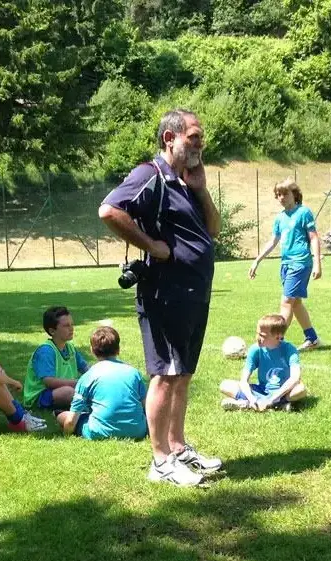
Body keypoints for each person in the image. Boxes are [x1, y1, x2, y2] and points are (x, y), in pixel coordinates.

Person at [99, 109, 222, 486]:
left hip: (194, 294)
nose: (200, 144)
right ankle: (160, 461)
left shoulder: (185, 183)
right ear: (170, 138)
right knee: (165, 376)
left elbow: (214, 230)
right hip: (165, 293)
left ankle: (178, 448)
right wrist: (151, 245)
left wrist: (201, 188)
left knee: (182, 375)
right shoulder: (150, 174)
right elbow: (109, 210)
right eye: (194, 137)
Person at [248, 178, 322, 351]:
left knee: (286, 302)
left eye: (285, 194)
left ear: (294, 194)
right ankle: (312, 338)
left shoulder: (304, 212)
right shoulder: (280, 218)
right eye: (278, 194)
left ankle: (275, 342)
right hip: (286, 264)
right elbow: (273, 241)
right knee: (295, 304)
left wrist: (317, 263)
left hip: (300, 263)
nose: (281, 197)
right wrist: (257, 261)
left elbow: (313, 238)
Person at [56, 326, 148, 440]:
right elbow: (147, 406)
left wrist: (67, 435)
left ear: (92, 351)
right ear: (118, 349)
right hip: (137, 430)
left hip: (99, 431)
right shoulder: (134, 373)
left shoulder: (88, 376)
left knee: (62, 416)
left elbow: (70, 421)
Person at [220, 314, 306, 412]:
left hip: (282, 392)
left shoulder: (289, 349)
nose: (258, 338)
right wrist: (252, 399)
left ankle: (247, 404)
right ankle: (274, 406)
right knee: (225, 385)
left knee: (300, 389)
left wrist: (272, 399)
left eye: (262, 335)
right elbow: (243, 381)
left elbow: (295, 378)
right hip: (261, 390)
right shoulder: (255, 349)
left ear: (278, 337)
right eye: (257, 333)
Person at [23, 306, 89, 411]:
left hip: (65, 389)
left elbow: (85, 368)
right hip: (42, 395)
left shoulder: (70, 348)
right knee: (68, 392)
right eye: (66, 326)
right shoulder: (46, 351)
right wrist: (77, 383)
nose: (71, 328)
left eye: (72, 324)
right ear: (52, 331)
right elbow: (49, 382)